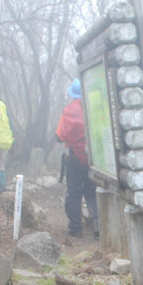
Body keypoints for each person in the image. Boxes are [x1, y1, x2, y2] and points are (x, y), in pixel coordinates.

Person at [55, 78, 97, 238]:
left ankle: (76, 228)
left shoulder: (69, 110)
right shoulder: (95, 105)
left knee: (74, 193)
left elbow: (59, 136)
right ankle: (98, 227)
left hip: (73, 158)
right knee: (92, 192)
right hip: (93, 158)